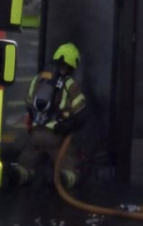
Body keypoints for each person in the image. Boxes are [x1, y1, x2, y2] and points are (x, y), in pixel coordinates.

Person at [10, 42, 87, 190]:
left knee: (27, 161)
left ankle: (19, 174)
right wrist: (67, 126)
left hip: (35, 133)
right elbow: (81, 113)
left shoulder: (38, 79)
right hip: (56, 136)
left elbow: (28, 102)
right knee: (69, 164)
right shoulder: (70, 84)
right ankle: (62, 180)